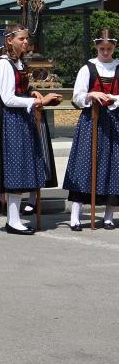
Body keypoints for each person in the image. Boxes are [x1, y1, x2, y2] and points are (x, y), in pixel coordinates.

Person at [0, 24, 60, 235]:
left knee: (21, 166)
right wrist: (38, 101)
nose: (26, 42)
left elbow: (21, 88)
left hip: (21, 117)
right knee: (15, 167)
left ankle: (15, 217)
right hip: (11, 118)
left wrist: (33, 92)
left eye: (27, 39)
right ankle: (12, 219)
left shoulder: (18, 63)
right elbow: (8, 98)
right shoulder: (3, 64)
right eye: (21, 39)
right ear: (9, 40)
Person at [62, 30, 119, 230]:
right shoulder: (87, 68)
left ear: (114, 47)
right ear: (96, 46)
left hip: (115, 122)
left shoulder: (118, 66)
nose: (105, 52)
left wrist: (114, 99)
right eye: (102, 48)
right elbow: (77, 96)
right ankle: (76, 215)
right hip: (91, 121)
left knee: (114, 166)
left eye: (109, 49)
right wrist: (91, 94)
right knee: (85, 163)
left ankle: (109, 215)